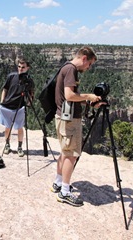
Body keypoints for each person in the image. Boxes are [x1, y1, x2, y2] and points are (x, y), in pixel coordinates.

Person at [51, 46, 102, 206]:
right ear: (84, 58)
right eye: (90, 64)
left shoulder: (66, 67)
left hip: (64, 117)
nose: (88, 68)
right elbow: (69, 95)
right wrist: (89, 96)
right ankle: (64, 192)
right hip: (69, 120)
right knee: (71, 155)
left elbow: (71, 98)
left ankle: (58, 182)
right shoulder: (71, 69)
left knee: (65, 152)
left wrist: (88, 102)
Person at [0, 58, 34, 157]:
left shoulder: (29, 80)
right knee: (7, 128)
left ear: (27, 68)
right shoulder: (11, 76)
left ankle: (20, 147)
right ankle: (7, 145)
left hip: (20, 107)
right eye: (19, 67)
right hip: (7, 106)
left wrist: (29, 103)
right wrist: (2, 102)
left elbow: (31, 94)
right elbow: (5, 89)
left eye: (23, 67)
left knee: (19, 128)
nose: (20, 69)